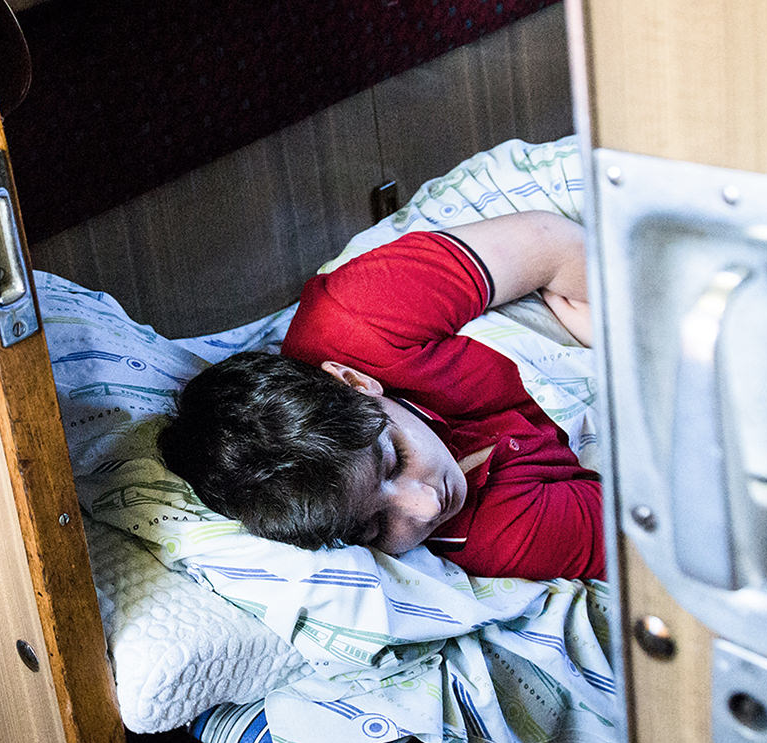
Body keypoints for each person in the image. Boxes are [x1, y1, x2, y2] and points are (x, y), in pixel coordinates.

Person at [158, 210, 603, 581]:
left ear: (354, 383)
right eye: (374, 528)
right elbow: (657, 534)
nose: (427, 507)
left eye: (396, 458)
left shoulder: (356, 318)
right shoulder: (498, 535)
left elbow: (552, 244)